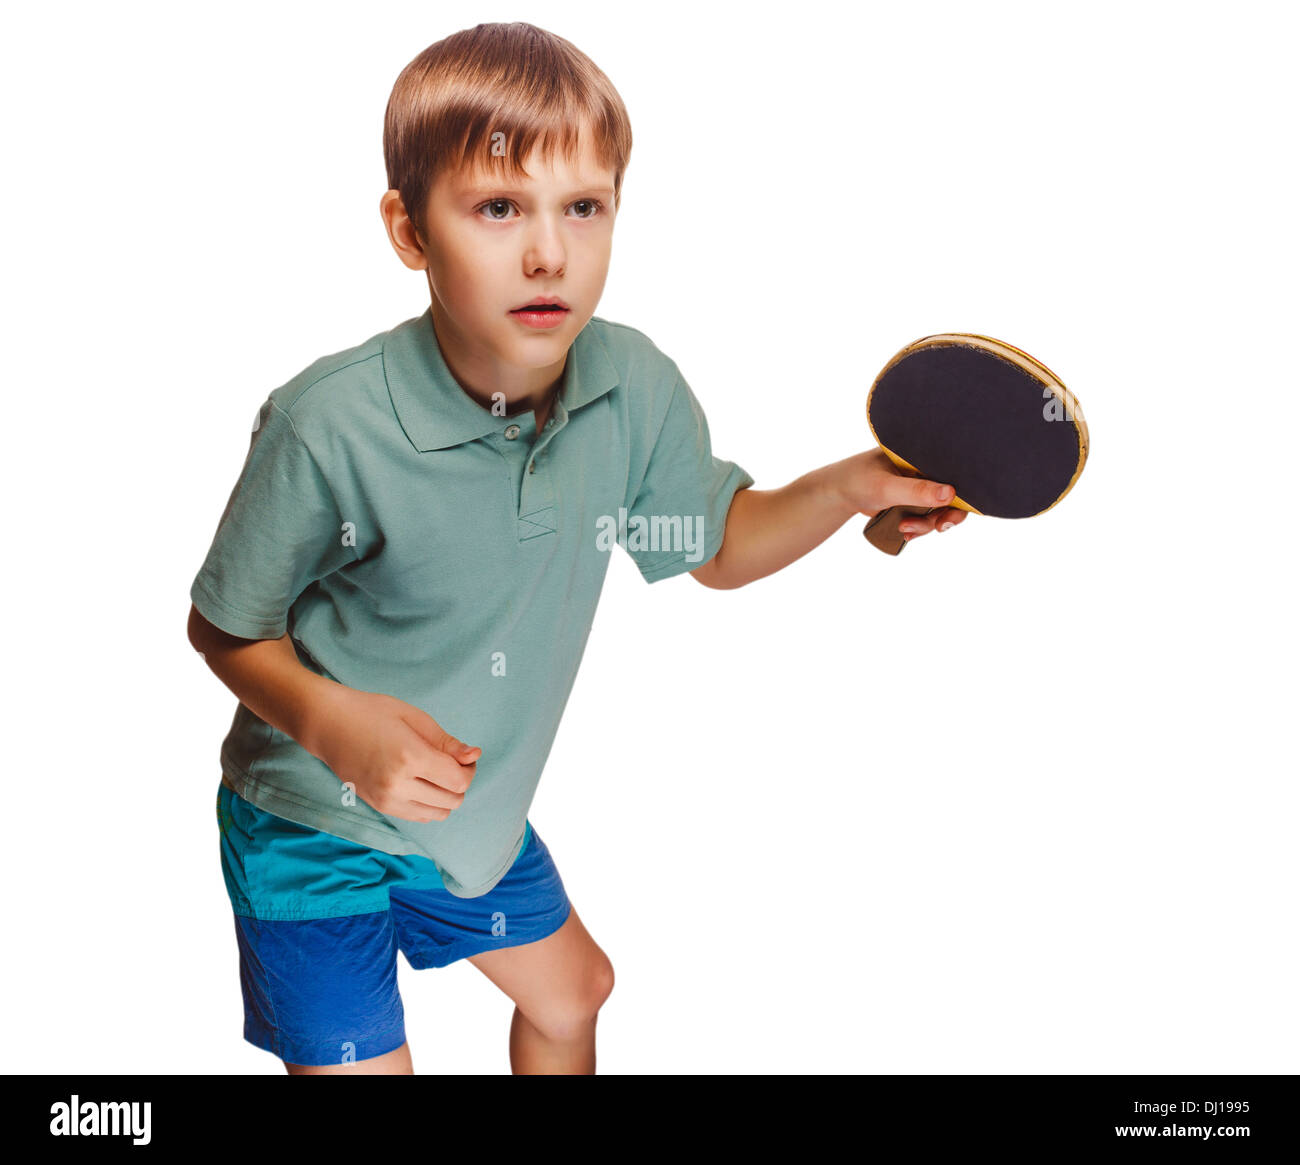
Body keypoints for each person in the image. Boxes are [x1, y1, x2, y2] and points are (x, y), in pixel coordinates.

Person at [188, 21, 966, 1076]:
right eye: (498, 208)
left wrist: (841, 490)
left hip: (471, 816)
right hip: (310, 823)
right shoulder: (326, 423)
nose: (548, 250)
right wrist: (333, 721)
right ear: (410, 230)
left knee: (575, 994)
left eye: (583, 207)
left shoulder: (631, 386)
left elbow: (716, 544)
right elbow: (224, 624)